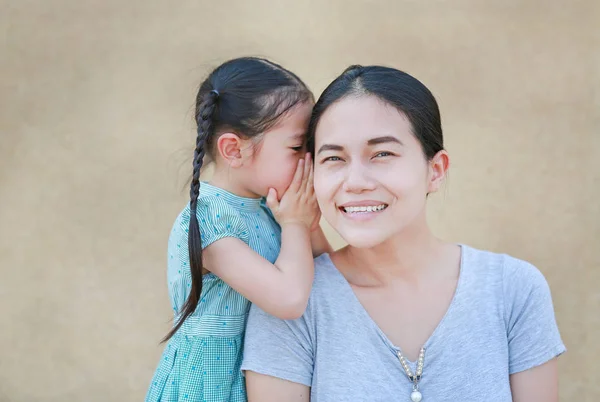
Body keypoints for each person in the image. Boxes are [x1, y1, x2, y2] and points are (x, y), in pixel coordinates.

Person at [242, 65, 566, 402]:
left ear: (435, 171)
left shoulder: (513, 289)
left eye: (382, 154)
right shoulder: (293, 307)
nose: (355, 182)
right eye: (334, 158)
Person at [146, 57, 330, 402]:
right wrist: (294, 224)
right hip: (209, 383)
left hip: (265, 376)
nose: (309, 159)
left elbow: (328, 275)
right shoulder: (209, 220)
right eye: (296, 147)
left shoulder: (268, 207)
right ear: (234, 149)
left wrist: (306, 223)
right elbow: (289, 299)